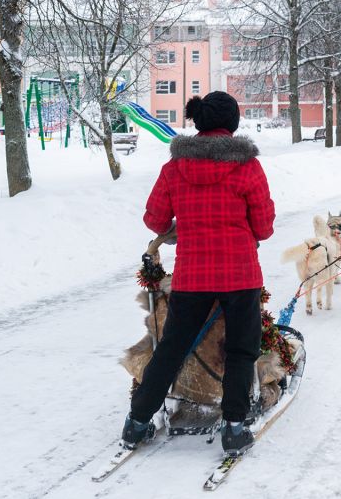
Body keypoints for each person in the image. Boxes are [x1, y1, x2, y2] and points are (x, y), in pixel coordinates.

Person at [121, 91, 276, 456]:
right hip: (240, 276)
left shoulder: (174, 168)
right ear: (233, 123)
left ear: (199, 121)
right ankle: (234, 428)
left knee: (172, 348)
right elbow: (265, 227)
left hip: (192, 277)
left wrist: (186, 221)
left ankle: (136, 423)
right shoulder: (247, 167)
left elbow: (155, 220)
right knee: (241, 350)